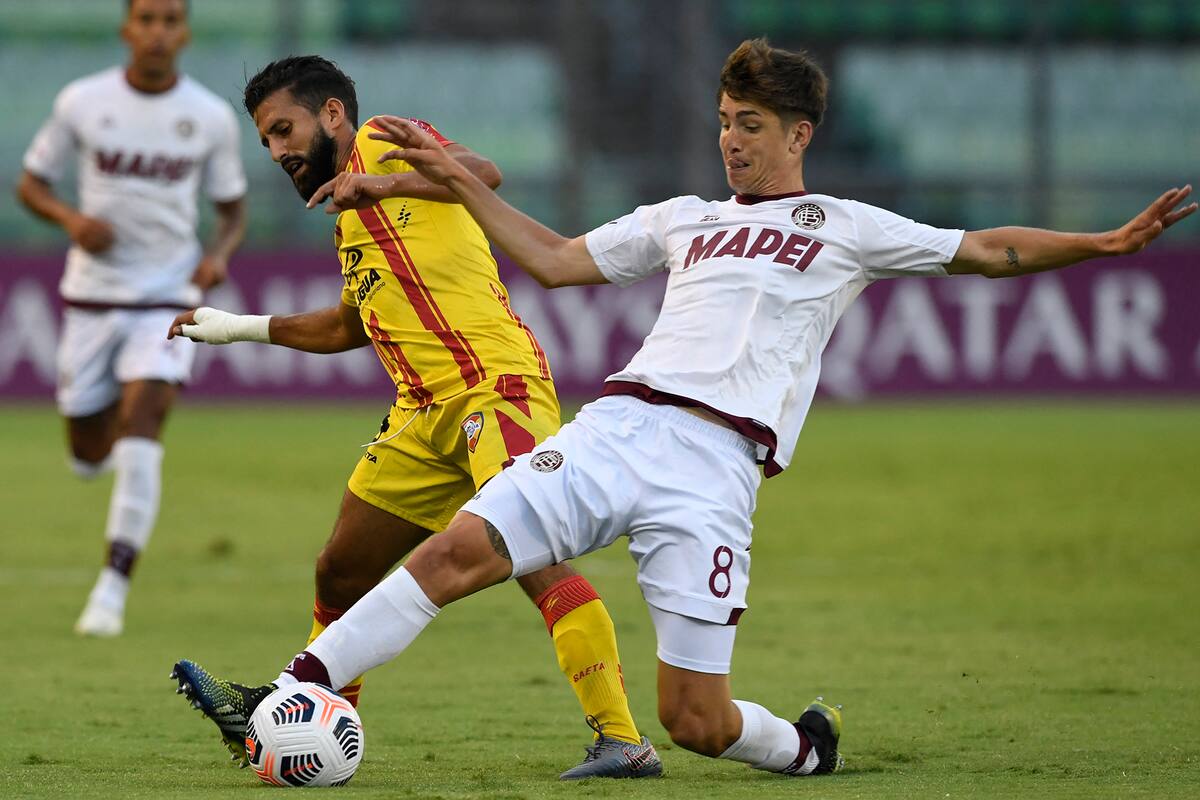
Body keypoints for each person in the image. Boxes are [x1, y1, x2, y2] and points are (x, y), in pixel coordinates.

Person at [182, 38, 1195, 779]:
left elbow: (986, 249)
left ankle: (802, 747)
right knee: (457, 551)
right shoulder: (685, 218)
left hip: (716, 471)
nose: (731, 142)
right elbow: (555, 259)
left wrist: (1102, 244)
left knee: (697, 720)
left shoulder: (841, 226)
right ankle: (290, 691)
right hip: (620, 424)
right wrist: (456, 181)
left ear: (798, 134)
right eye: (723, 122)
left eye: (750, 126)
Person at [166, 56, 659, 780]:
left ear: (332, 114)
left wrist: (384, 180)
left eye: (283, 131)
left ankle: (623, 740)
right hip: (421, 418)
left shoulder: (388, 142)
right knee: (340, 572)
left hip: (495, 390)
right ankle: (304, 711)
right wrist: (239, 327)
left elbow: (482, 173)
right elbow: (347, 326)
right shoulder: (346, 221)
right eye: (266, 141)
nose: (276, 153)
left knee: (535, 558)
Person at [15, 0, 247, 637]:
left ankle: (111, 590)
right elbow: (31, 183)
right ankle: (112, 465)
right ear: (126, 30)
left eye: (170, 20)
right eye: (146, 19)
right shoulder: (81, 102)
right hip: (92, 300)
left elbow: (231, 209)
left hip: (167, 300)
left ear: (185, 32)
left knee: (145, 420)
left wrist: (218, 257)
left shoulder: (208, 117)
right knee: (88, 453)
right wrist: (71, 221)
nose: (158, 32)